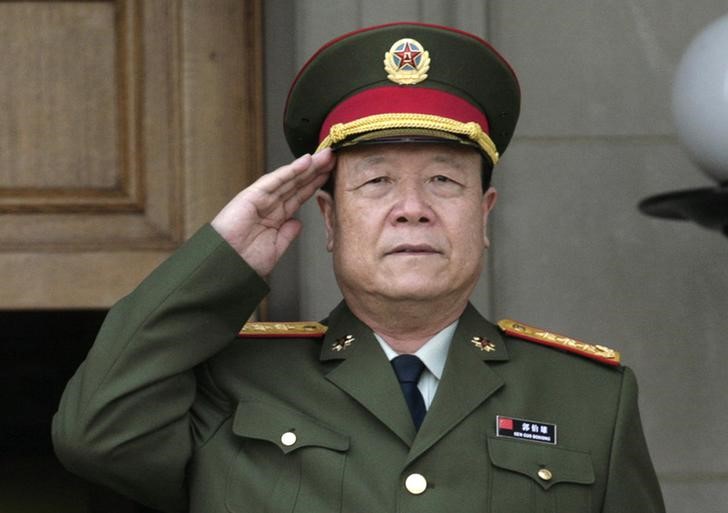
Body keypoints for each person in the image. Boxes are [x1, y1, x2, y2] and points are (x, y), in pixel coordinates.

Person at [52, 22, 665, 513]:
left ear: (484, 215)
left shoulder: (590, 399)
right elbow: (95, 434)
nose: (412, 210)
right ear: (327, 217)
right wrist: (222, 258)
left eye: (444, 181)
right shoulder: (229, 383)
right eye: (375, 182)